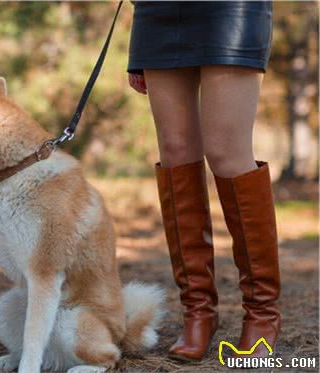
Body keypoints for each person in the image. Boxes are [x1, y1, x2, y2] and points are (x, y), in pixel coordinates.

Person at [127, 1, 280, 362]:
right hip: (158, 9)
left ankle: (262, 312)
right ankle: (198, 312)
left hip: (231, 7)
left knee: (227, 152)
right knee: (176, 151)